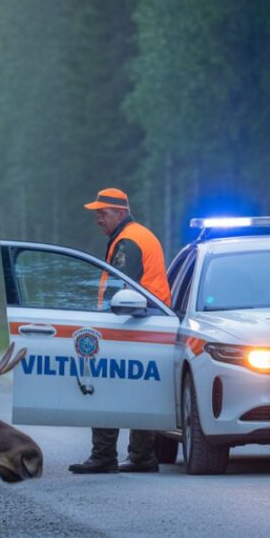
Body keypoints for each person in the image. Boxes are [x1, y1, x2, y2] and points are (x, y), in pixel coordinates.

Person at [68, 187, 172, 474]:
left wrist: (105, 320)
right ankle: (141, 456)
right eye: (97, 214)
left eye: (103, 213)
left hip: (132, 323)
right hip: (147, 323)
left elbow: (121, 287)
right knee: (139, 389)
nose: (98, 219)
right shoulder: (135, 235)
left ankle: (103, 456)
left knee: (104, 386)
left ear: (121, 213)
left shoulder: (128, 241)